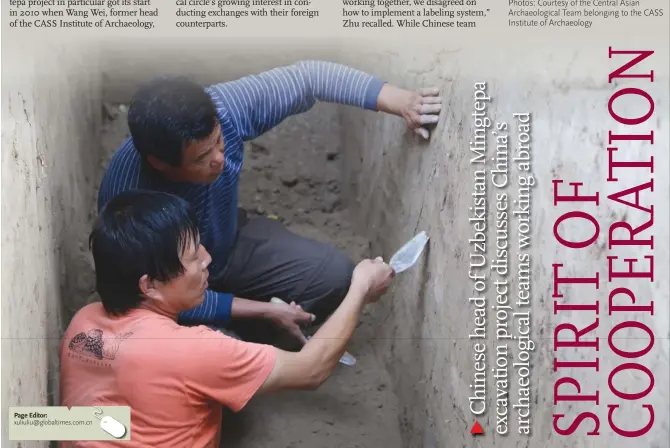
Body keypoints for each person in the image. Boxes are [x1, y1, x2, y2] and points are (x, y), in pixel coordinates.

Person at [97, 60, 441, 345]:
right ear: (160, 163)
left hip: (227, 245)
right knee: (208, 356)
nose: (220, 157)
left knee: (336, 278)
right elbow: (148, 299)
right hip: (174, 290)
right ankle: (247, 326)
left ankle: (248, 322)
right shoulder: (130, 202)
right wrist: (261, 310)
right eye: (203, 156)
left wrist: (401, 101)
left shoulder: (223, 110)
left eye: (219, 141)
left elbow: (310, 78)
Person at [59, 189, 395, 447]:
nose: (206, 259)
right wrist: (360, 287)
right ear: (150, 286)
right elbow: (310, 369)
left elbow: (58, 421)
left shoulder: (83, 324)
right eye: (192, 257)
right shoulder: (192, 351)